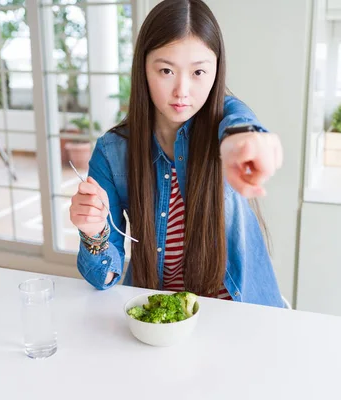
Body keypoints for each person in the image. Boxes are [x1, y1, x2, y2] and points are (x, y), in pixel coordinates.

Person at [69, 0, 285, 307]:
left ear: (216, 72)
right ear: (143, 67)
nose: (182, 90)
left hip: (237, 315)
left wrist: (246, 139)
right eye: (166, 70)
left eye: (198, 72)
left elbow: (239, 123)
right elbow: (105, 278)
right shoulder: (113, 151)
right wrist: (94, 233)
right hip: (159, 317)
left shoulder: (227, 121)